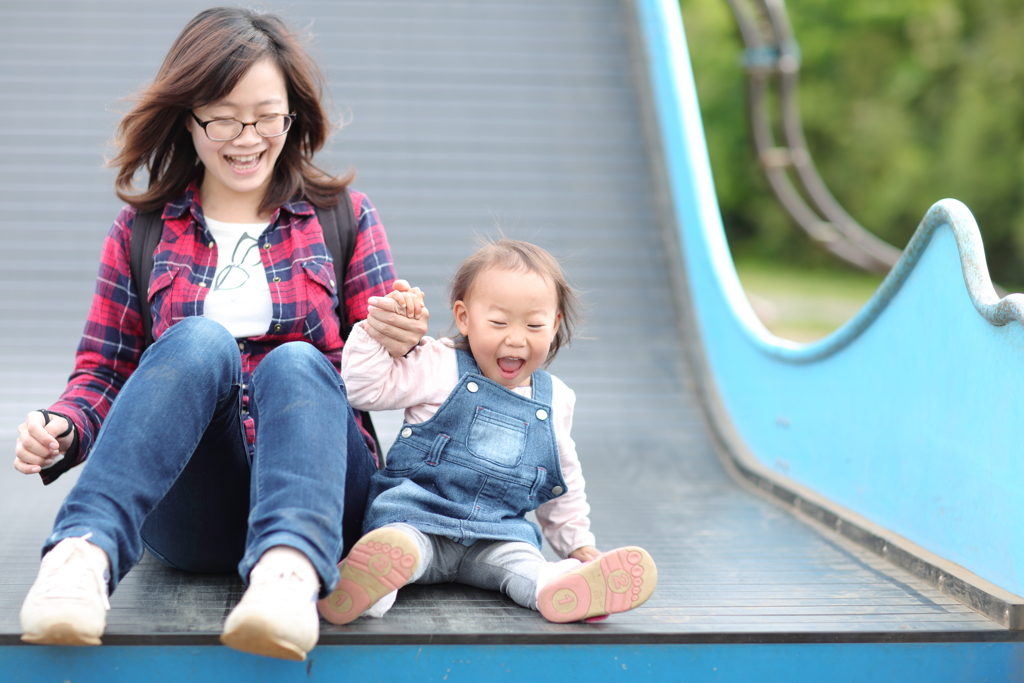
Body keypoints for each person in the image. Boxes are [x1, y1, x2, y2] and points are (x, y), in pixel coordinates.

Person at [14, 7, 427, 662]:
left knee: (295, 361)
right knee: (198, 340)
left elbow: (390, 372)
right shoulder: (142, 231)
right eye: (224, 117)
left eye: (266, 115)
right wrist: (64, 424)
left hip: (319, 490)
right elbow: (106, 369)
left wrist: (399, 336)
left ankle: (287, 577)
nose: (247, 137)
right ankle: (79, 559)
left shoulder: (342, 216)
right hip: (196, 511)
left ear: (292, 115)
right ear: (188, 116)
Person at [318, 239, 657, 625]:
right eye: (498, 322)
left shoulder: (556, 399)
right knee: (401, 549)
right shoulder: (439, 365)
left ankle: (564, 588)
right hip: (419, 519)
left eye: (534, 325)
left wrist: (577, 544)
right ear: (464, 317)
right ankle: (369, 586)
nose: (516, 338)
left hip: (497, 536)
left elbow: (564, 481)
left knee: (527, 567)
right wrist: (374, 333)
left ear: (556, 324)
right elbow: (363, 389)